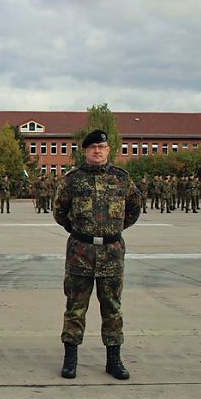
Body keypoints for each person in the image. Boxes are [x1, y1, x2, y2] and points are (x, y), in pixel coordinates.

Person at [53, 129, 141, 381]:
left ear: (108, 150)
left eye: (101, 147)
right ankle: (70, 360)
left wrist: (112, 231)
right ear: (85, 151)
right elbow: (59, 212)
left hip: (112, 254)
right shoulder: (72, 180)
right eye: (93, 148)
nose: (97, 151)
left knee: (112, 307)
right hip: (80, 252)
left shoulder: (122, 179)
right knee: (75, 308)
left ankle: (114, 360)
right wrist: (80, 231)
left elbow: (134, 209)